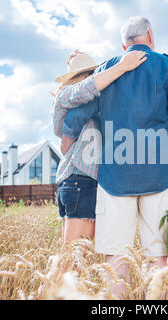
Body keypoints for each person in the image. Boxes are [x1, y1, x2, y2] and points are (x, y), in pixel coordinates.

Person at [61, 16, 168, 298]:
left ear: (124, 45)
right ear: (150, 36)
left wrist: (67, 145)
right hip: (159, 176)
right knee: (158, 258)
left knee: (116, 261)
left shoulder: (106, 70)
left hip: (114, 180)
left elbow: (72, 120)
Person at [52, 49, 147, 246]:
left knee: (70, 258)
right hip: (81, 181)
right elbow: (86, 89)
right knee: (73, 258)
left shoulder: (87, 108)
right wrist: (122, 66)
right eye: (91, 74)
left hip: (75, 183)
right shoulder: (66, 94)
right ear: (85, 76)